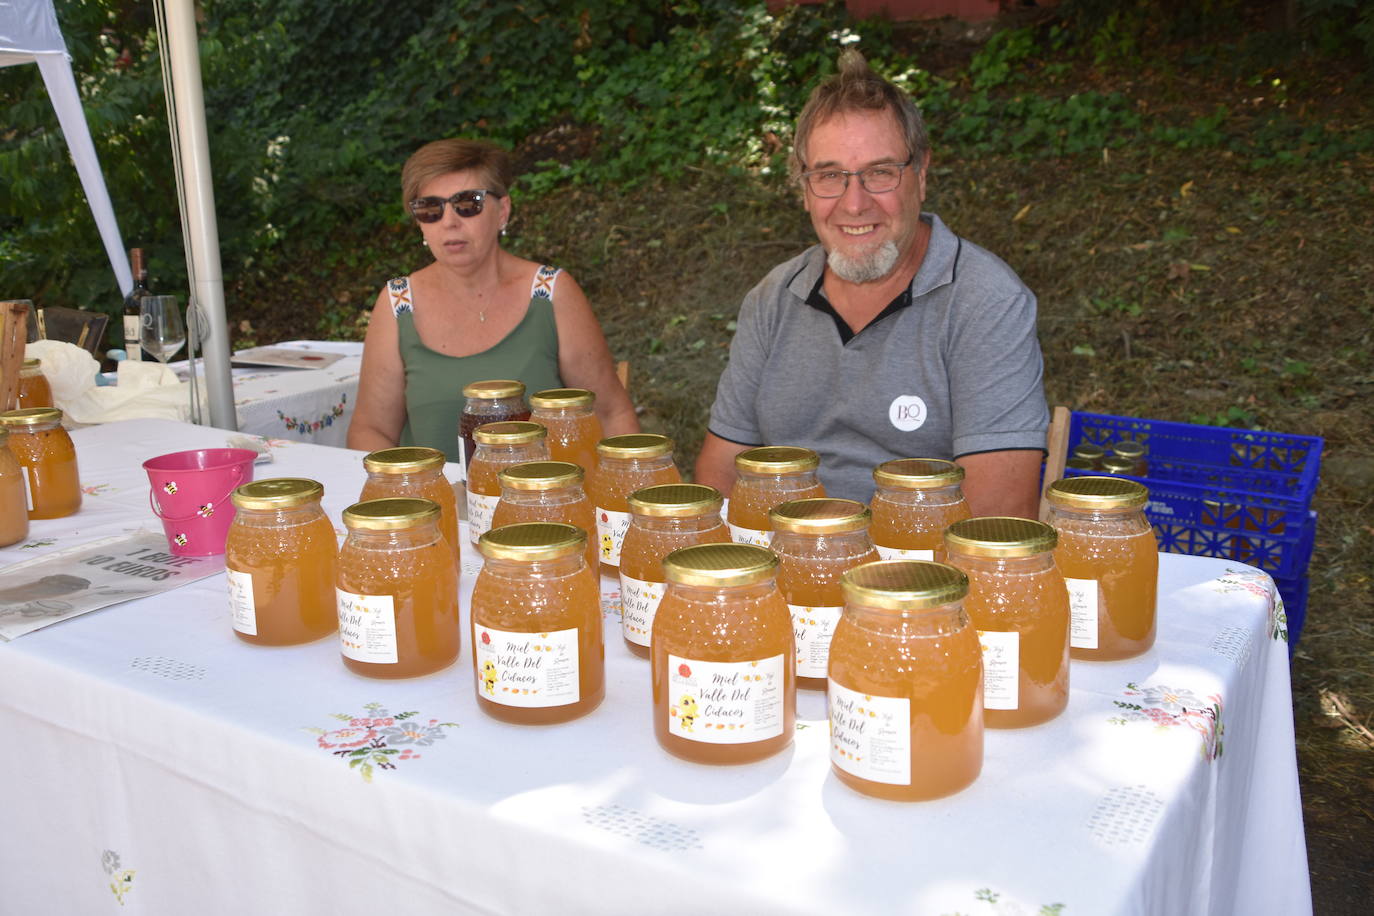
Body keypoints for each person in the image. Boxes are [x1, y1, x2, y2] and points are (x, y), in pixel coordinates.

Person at [694, 50, 1048, 518]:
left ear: (920, 175)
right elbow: (721, 476)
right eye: (830, 175)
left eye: (880, 173)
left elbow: (996, 516)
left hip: (921, 577)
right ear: (804, 188)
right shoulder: (772, 300)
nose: (854, 204)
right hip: (783, 566)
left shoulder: (986, 303)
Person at [348, 138, 638, 461]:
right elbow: (371, 430)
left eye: (467, 204)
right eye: (430, 208)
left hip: (545, 502)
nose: (449, 221)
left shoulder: (552, 292)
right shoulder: (397, 303)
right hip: (438, 505)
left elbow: (612, 414)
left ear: (502, 211)